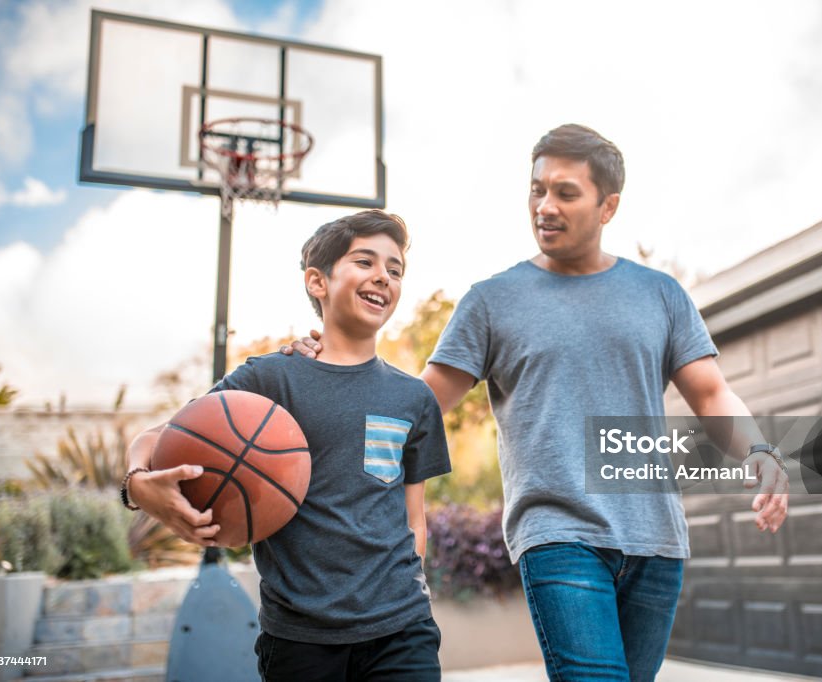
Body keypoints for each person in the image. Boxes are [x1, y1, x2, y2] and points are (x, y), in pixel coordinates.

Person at [291, 124, 790, 681]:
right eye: (537, 189)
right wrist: (332, 363)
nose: (544, 206)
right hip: (557, 535)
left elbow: (711, 391)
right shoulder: (492, 301)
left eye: (565, 193)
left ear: (609, 206)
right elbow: (418, 403)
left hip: (657, 539)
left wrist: (759, 450)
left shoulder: (660, 295)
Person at [122, 210, 451, 682]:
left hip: (402, 629)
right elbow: (158, 438)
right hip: (300, 636)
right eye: (365, 261)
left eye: (395, 270)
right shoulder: (271, 377)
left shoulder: (413, 397)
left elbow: (413, 515)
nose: (383, 276)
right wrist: (137, 483)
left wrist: (411, 590)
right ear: (317, 281)